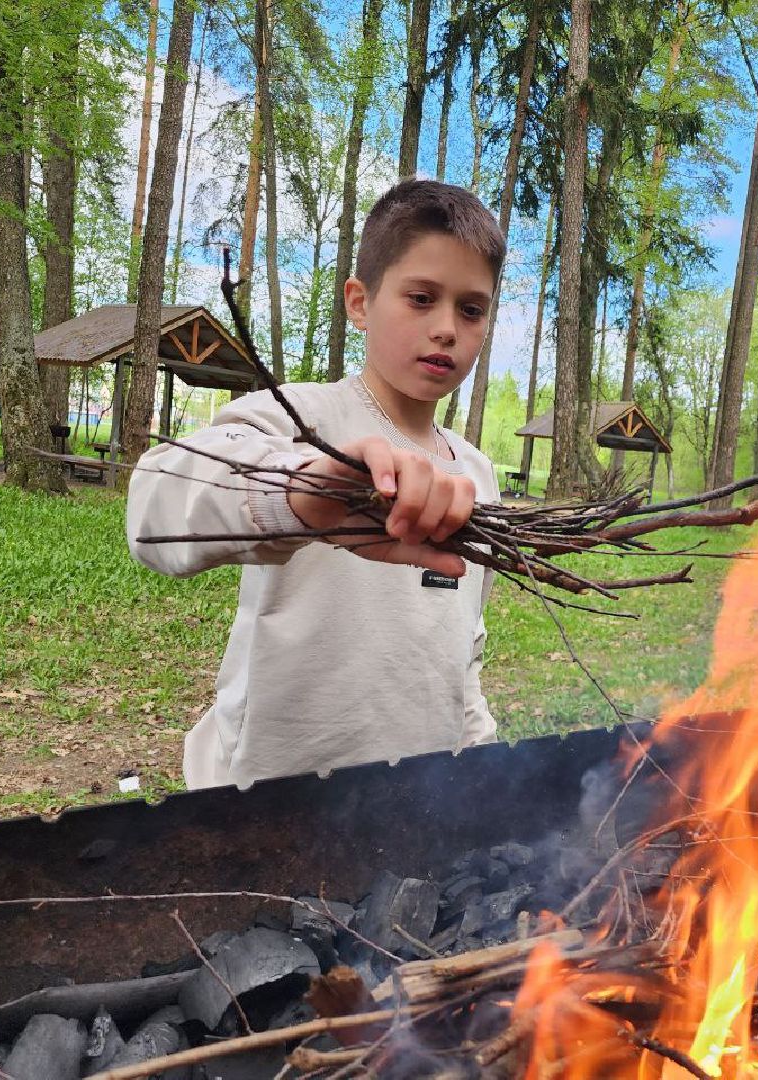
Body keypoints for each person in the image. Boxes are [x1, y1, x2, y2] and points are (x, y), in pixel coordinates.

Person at [126, 179, 505, 789]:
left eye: (471, 309)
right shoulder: (296, 421)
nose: (446, 328)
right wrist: (303, 493)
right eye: (421, 298)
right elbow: (156, 507)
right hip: (270, 796)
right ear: (360, 302)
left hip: (417, 799)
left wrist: (480, 765)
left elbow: (464, 657)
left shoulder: (477, 477)